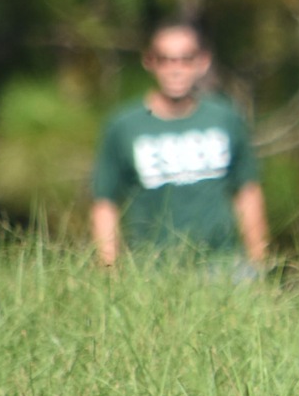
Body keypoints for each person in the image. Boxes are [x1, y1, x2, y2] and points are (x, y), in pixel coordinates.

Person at [91, 21, 268, 269]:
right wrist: (109, 268)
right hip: (150, 269)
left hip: (224, 265)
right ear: (149, 61)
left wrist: (258, 262)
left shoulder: (225, 117)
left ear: (202, 62)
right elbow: (105, 203)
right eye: (165, 59)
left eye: (186, 59)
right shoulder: (123, 126)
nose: (176, 69)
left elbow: (247, 192)